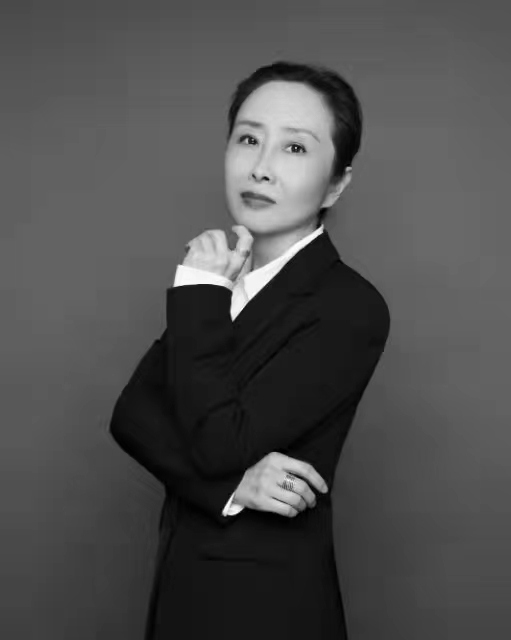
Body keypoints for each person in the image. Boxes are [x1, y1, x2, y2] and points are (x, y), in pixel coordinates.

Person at [109, 60, 390, 640]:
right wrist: (234, 488)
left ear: (336, 184)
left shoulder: (349, 307)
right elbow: (132, 415)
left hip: (266, 607)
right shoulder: (226, 279)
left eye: (295, 148)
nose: (261, 167)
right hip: (183, 595)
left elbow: (221, 443)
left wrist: (199, 292)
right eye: (248, 139)